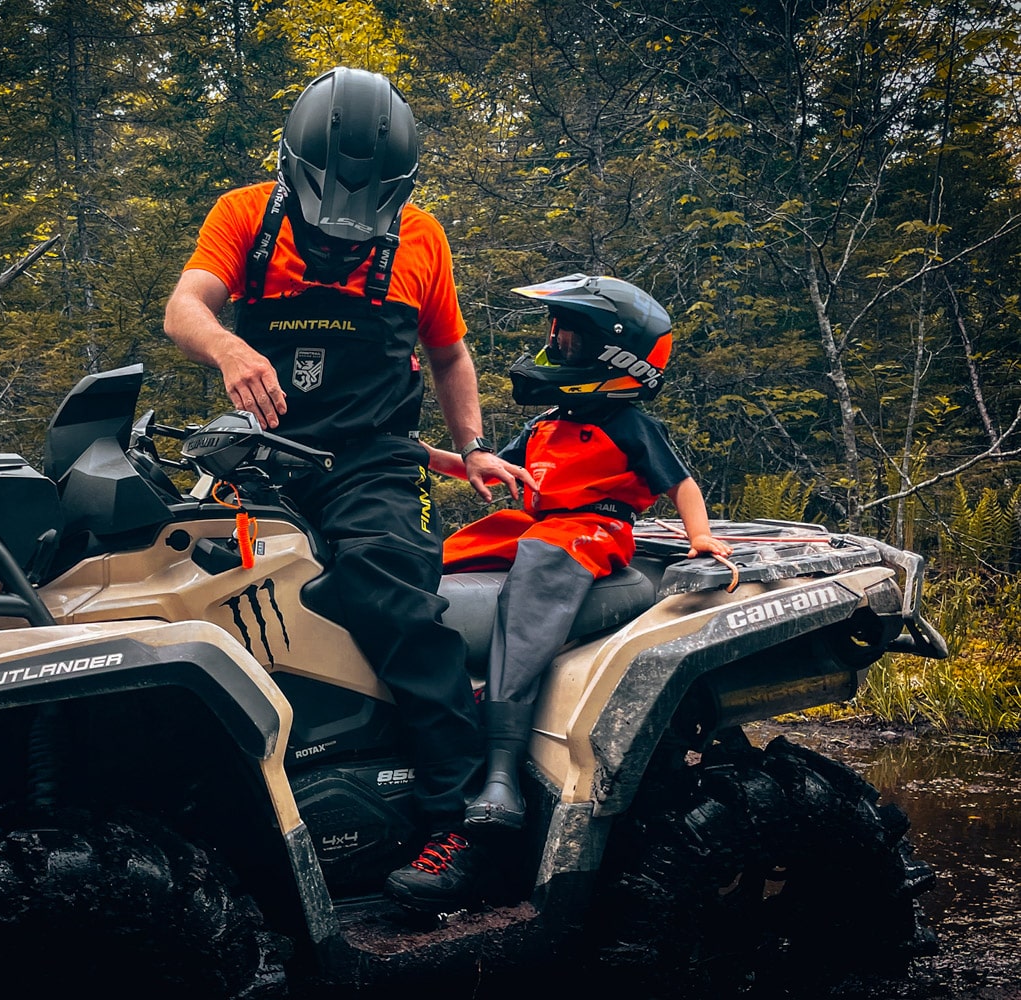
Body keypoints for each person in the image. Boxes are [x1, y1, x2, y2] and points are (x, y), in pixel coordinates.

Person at [163, 66, 531, 911]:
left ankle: (461, 822)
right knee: (214, 603)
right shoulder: (243, 215)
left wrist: (471, 447)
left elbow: (448, 356)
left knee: (387, 593)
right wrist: (227, 349)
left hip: (372, 464)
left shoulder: (422, 240)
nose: (343, 239)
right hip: (256, 462)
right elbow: (186, 306)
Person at [421, 273, 734, 830]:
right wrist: (415, 453)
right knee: (434, 562)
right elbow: (484, 467)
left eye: (569, 339)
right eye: (557, 335)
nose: (556, 345)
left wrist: (700, 536)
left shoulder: (630, 423)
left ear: (616, 356)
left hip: (592, 528)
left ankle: (501, 771)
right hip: (532, 521)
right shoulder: (547, 423)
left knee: (539, 564)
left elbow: (679, 483)